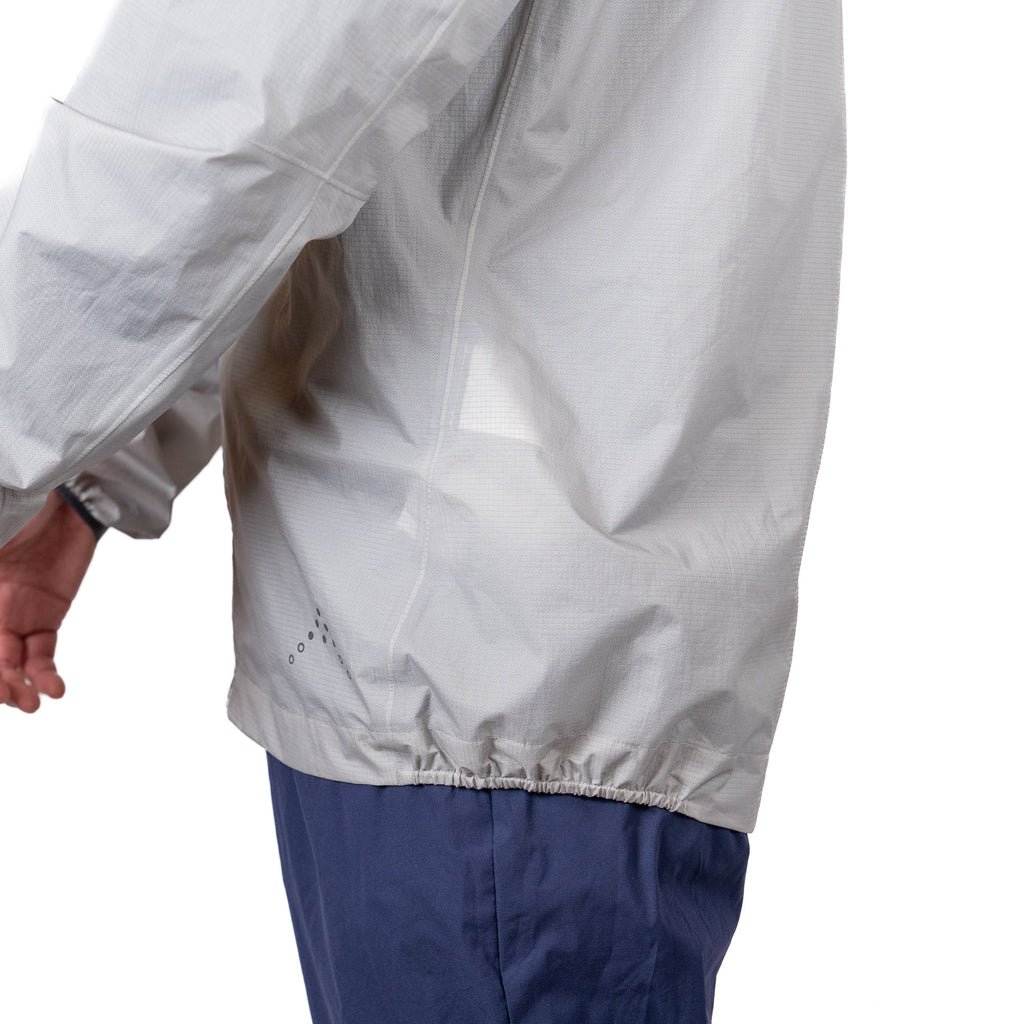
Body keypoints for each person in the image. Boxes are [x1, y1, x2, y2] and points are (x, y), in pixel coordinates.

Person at [0, 1, 847, 1020]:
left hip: (471, 685)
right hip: (503, 659)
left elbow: (221, 125)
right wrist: (93, 474)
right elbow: (319, 117)